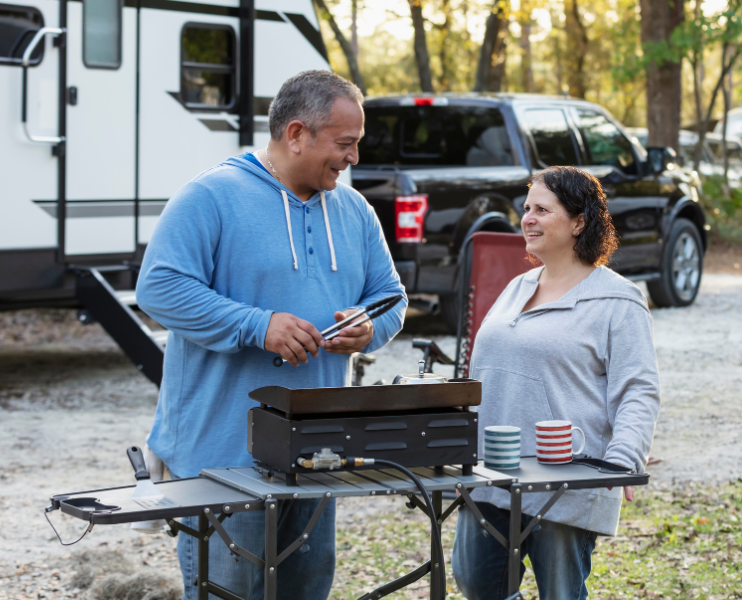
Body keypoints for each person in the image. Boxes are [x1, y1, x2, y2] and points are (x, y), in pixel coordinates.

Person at [136, 70, 406, 600]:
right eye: (344, 144)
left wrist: (369, 328)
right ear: (297, 133)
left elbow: (391, 298)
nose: (353, 158)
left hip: (319, 457)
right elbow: (159, 288)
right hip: (222, 459)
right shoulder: (211, 196)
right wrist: (257, 325)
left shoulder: (354, 210)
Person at [452, 166, 661, 599]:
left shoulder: (618, 300)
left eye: (542, 210)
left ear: (579, 221)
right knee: (476, 583)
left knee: (561, 593)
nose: (527, 218)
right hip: (493, 471)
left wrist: (623, 459)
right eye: (526, 208)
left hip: (566, 478)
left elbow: (638, 388)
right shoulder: (516, 287)